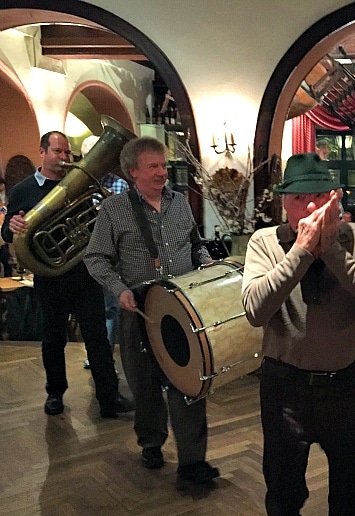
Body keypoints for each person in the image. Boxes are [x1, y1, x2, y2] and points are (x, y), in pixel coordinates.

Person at [242, 153, 355, 516]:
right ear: (283, 202)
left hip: (343, 386)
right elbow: (255, 309)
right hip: (284, 386)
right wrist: (301, 252)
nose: (309, 209)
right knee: (284, 491)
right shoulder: (264, 242)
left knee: (351, 491)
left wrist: (331, 253)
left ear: (335, 199)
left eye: (318, 197)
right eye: (298, 198)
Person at [85, 136, 219, 487]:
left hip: (182, 309)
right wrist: (120, 290)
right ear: (133, 173)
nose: (162, 172)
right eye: (153, 167)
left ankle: (193, 460)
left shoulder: (181, 203)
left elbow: (194, 245)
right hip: (140, 310)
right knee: (144, 386)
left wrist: (206, 263)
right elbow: (95, 258)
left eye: (163, 165)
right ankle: (151, 444)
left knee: (191, 382)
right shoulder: (114, 210)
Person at [0, 131, 133, 418]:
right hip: (51, 277)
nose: (63, 158)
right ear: (42, 152)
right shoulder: (23, 191)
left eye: (67, 153)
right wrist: (13, 225)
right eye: (57, 152)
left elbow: (91, 227)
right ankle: (55, 394)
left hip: (85, 274)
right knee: (53, 339)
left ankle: (108, 397)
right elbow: (6, 232)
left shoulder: (83, 185)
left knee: (97, 338)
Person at [79, 135, 129, 370]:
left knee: (110, 310)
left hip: (109, 258)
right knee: (88, 311)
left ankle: (104, 356)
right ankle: (94, 353)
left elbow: (128, 223)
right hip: (79, 258)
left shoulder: (119, 185)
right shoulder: (75, 187)